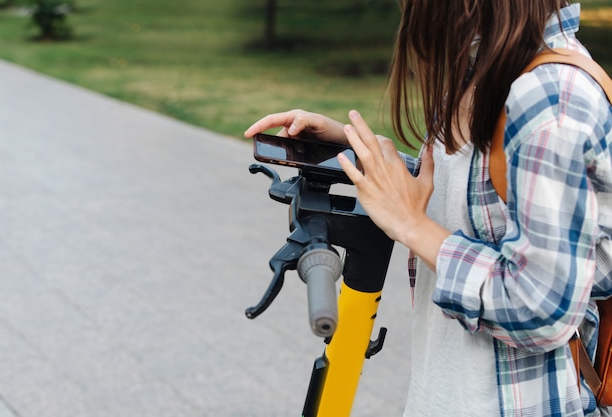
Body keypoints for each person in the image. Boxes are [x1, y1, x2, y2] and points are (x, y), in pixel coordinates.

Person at [244, 1, 612, 416]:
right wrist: (355, 153)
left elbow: (542, 305)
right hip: (446, 389)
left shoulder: (550, 99)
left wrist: (410, 224)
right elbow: (477, 202)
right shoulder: (487, 65)